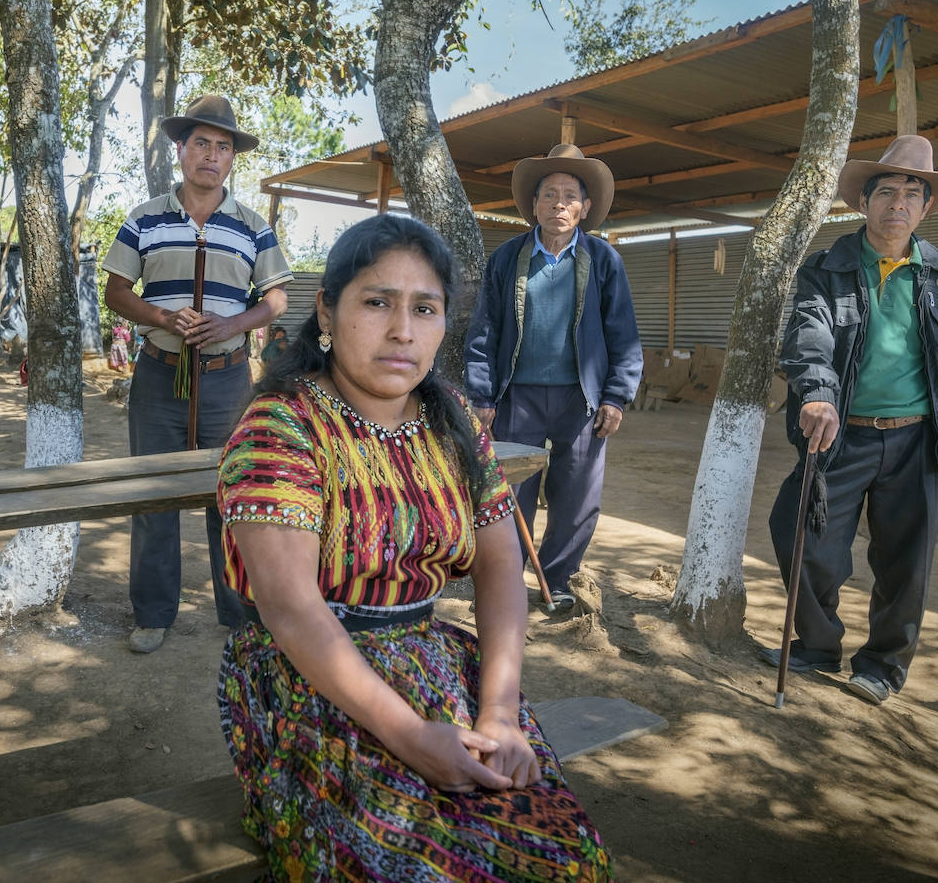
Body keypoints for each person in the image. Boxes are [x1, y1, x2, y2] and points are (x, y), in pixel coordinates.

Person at [217, 214, 612, 881]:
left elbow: (499, 564)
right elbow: (291, 610)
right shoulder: (282, 423)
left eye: (424, 309)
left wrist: (500, 713)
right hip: (313, 680)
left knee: (562, 856)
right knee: (408, 862)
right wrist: (406, 735)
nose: (403, 330)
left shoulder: (452, 421)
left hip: (439, 667)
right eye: (377, 302)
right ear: (327, 310)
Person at [765, 135, 938, 706]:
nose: (899, 203)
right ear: (864, 202)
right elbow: (808, 335)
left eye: (913, 194)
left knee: (906, 562)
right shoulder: (828, 268)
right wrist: (817, 393)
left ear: (927, 207)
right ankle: (816, 645)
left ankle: (883, 665)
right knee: (801, 535)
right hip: (840, 434)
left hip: (918, 440)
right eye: (886, 190)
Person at [103, 95, 292, 654]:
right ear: (181, 150)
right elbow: (116, 291)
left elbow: (276, 297)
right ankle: (153, 614)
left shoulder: (253, 226)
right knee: (154, 495)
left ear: (233, 159)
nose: (211, 155)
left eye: (223, 146)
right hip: (159, 376)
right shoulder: (144, 218)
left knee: (232, 494)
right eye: (201, 143)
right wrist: (162, 316)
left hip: (228, 380)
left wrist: (233, 321)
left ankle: (238, 613)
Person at [464, 143, 642, 612]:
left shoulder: (604, 261)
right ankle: (506, 577)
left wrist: (616, 397)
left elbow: (623, 334)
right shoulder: (507, 258)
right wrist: (481, 393)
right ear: (534, 205)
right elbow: (484, 329)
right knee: (509, 492)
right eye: (549, 195)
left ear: (584, 209)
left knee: (576, 495)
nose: (559, 204)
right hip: (515, 396)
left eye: (569, 196)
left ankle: (558, 581)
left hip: (581, 401)